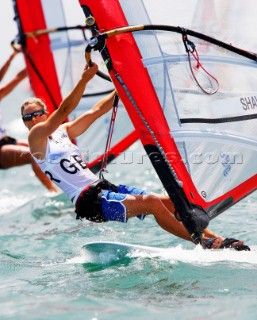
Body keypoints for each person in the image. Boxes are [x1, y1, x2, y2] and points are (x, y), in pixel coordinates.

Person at [21, 62, 249, 250]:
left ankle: (218, 239)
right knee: (150, 203)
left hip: (103, 188)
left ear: (44, 113)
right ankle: (204, 243)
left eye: (36, 114)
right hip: (88, 202)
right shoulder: (36, 139)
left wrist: (123, 83)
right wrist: (85, 79)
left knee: (172, 200)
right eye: (27, 118)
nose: (31, 120)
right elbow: (63, 111)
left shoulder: (63, 132)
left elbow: (97, 110)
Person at [0, 50, 57, 192]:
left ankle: (71, 172)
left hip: (7, 140)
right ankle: (53, 192)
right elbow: (16, 79)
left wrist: (28, 62)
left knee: (49, 145)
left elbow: (18, 77)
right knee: (34, 155)